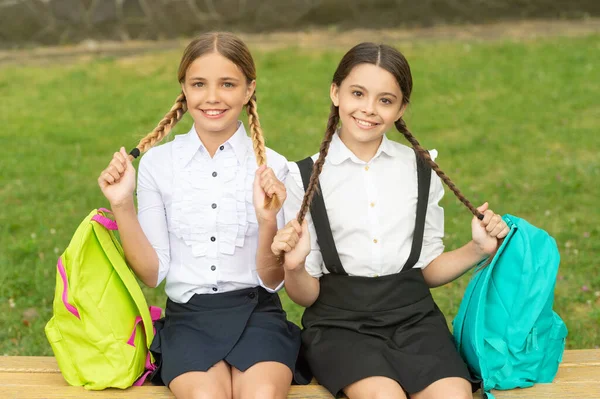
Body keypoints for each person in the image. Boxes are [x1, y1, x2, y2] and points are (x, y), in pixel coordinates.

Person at [272, 42, 509, 399]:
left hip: (415, 320)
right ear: (335, 93)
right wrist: (294, 267)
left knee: (455, 395)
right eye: (357, 93)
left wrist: (477, 248)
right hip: (339, 326)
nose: (369, 109)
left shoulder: (420, 168)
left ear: (401, 109)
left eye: (385, 100)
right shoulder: (302, 177)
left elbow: (427, 268)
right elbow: (306, 296)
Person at [98, 32, 302, 399]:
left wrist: (267, 219)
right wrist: (122, 204)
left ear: (248, 90)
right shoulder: (158, 165)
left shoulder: (273, 167)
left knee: (262, 395)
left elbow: (273, 281)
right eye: (199, 84)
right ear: (184, 89)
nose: (212, 97)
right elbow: (151, 273)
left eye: (227, 84)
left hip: (258, 313)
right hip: (189, 319)